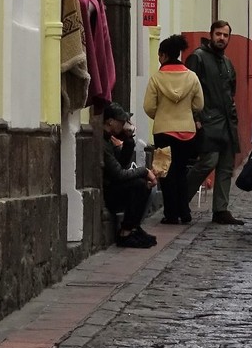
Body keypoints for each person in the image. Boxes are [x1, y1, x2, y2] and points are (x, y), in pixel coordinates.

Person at [185, 20, 244, 225]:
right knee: (207, 162)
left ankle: (221, 209)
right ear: (211, 34)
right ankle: (180, 199)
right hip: (207, 121)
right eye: (218, 34)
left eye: (226, 35)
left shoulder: (227, 63)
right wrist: (196, 118)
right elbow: (189, 90)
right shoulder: (198, 58)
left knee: (227, 166)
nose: (222, 38)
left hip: (227, 121)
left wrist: (233, 118)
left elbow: (231, 92)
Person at [143, 35, 204, 225]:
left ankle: (171, 214)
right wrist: (186, 112)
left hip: (163, 131)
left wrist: (161, 114)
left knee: (166, 172)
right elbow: (199, 105)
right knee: (181, 172)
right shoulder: (192, 77)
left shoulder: (157, 78)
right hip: (187, 131)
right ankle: (185, 212)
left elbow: (148, 106)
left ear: (163, 55)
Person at [102, 102, 158, 248]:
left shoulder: (109, 139)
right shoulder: (103, 142)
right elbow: (119, 174)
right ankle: (125, 233)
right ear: (110, 121)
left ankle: (133, 227)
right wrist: (145, 171)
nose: (124, 125)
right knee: (139, 184)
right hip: (108, 192)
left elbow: (122, 163)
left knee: (141, 183)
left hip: (113, 186)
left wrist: (128, 140)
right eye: (121, 122)